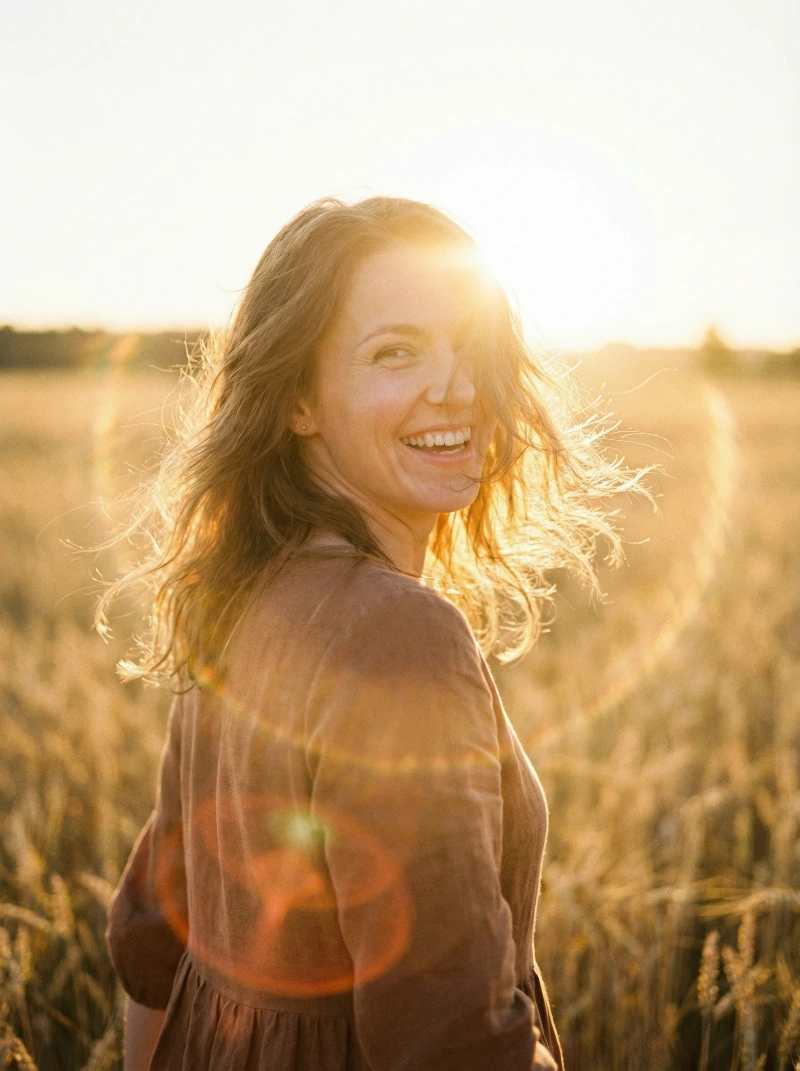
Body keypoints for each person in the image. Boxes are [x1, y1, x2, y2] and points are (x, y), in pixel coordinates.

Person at [101, 196, 639, 1070]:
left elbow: (154, 946)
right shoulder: (399, 634)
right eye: (396, 352)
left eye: (471, 345)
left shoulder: (236, 594)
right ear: (299, 399)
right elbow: (454, 1045)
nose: (457, 387)